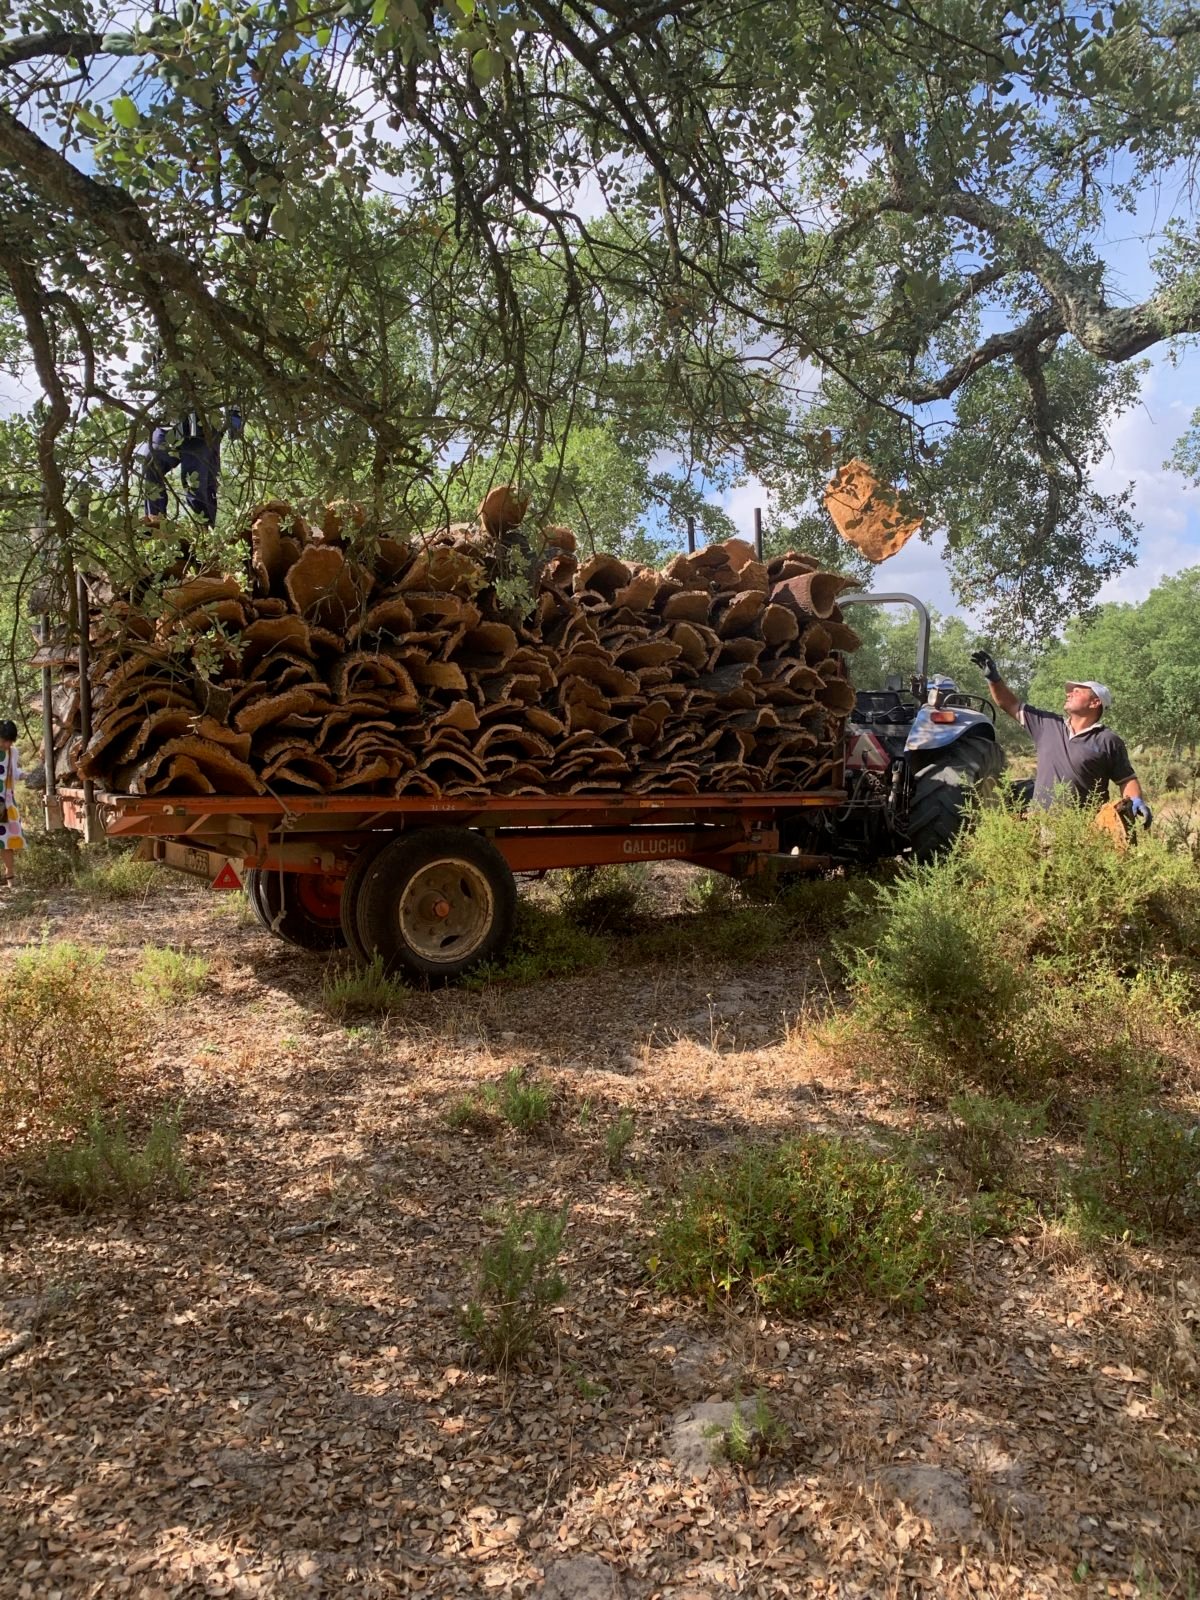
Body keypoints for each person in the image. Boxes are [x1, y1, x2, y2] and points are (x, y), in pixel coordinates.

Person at [969, 651, 1151, 822]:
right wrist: (994, 679)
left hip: (1086, 827)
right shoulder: (1047, 724)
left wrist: (1135, 800)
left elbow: (1126, 779)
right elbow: (1009, 703)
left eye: (1077, 691)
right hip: (1042, 822)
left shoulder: (1108, 740)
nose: (1069, 693)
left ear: (1095, 702)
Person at [0, 720, 25, 888]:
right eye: (3, 740)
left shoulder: (13, 752)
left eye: (9, 741)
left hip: (6, 803)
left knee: (6, 842)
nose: (6, 744)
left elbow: (14, 772)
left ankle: (10, 878)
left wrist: (27, 775)